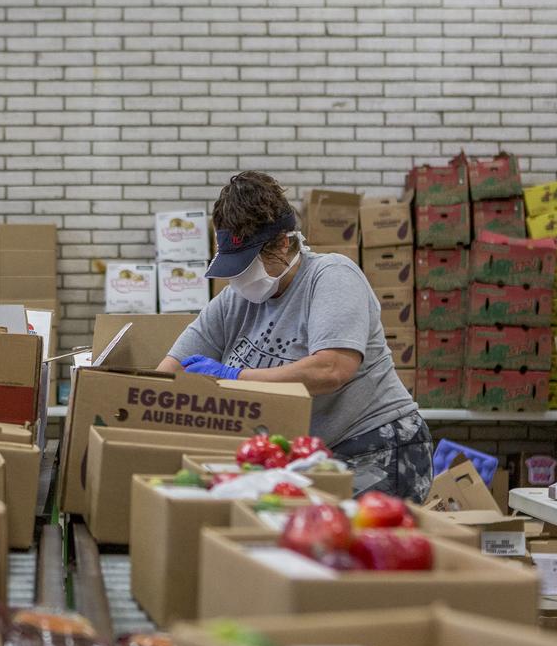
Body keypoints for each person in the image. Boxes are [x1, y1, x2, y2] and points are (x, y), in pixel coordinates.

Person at [157, 171, 432, 501]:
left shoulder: (331, 277)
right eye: (233, 267)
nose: (240, 278)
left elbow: (331, 369)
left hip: (378, 446)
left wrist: (235, 377)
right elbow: (167, 373)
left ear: (283, 244)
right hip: (313, 458)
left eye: (248, 264)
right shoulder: (234, 301)